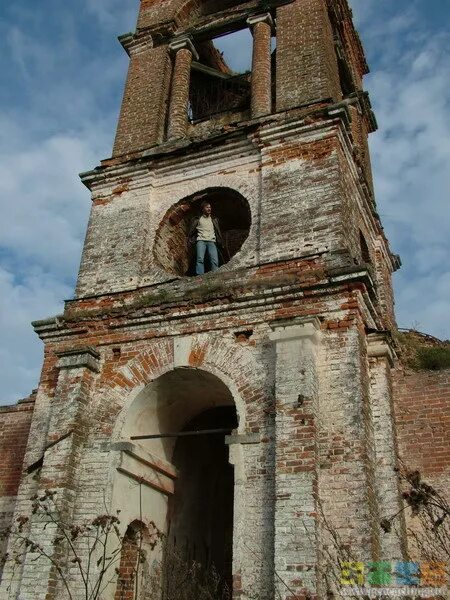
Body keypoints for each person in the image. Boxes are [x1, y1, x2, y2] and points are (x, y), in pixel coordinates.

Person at [188, 201, 224, 275]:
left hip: (211, 241)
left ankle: (215, 275)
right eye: (207, 207)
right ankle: (200, 276)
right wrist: (190, 240)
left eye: (210, 207)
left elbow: (218, 231)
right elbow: (191, 231)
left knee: (214, 260)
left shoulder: (214, 219)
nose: (209, 209)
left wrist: (220, 240)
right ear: (203, 209)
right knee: (200, 259)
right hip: (201, 241)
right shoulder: (197, 219)